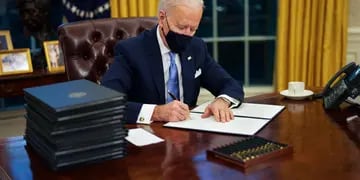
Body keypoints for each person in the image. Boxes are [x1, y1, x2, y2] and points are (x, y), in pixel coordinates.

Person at [101, 0, 244, 124]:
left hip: (188, 134)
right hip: (148, 136)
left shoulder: (196, 47)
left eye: (193, 29)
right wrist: (156, 112)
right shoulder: (131, 51)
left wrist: (222, 101)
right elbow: (107, 102)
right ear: (162, 18)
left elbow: (231, 84)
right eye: (181, 27)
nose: (187, 34)